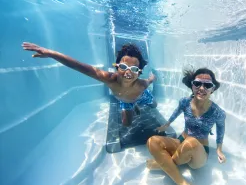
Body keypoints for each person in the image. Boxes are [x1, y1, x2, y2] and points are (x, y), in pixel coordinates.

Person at [146, 68, 226, 185]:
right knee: (152, 141)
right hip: (181, 141)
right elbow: (176, 112)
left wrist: (219, 149)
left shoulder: (218, 112)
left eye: (207, 85)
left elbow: (221, 129)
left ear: (212, 89)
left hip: (199, 150)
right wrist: (167, 124)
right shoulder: (184, 102)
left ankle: (164, 164)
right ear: (192, 85)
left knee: (191, 142)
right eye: (197, 84)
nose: (202, 88)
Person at [22, 42, 157, 126]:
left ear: (139, 72)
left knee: (154, 105)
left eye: (134, 69)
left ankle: (136, 105)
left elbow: (148, 81)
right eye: (123, 66)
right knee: (127, 125)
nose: (128, 72)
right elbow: (79, 66)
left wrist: (151, 78)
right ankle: (131, 107)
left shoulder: (141, 85)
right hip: (125, 101)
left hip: (140, 96)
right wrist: (51, 54)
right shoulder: (109, 79)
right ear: (116, 66)